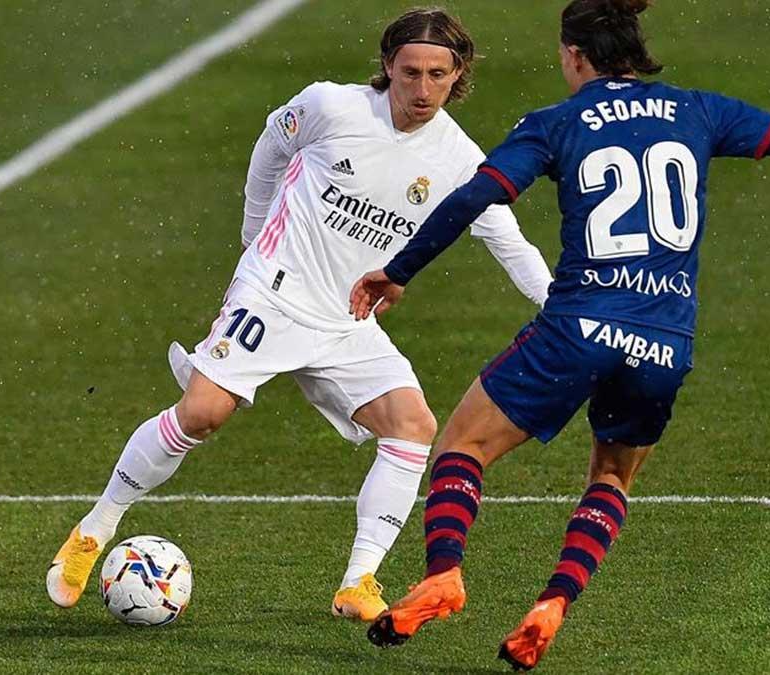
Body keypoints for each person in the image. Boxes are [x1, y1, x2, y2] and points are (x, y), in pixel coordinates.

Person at [349, 0, 770, 669]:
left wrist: (397, 271)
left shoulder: (557, 122)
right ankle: (554, 602)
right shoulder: (699, 109)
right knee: (611, 475)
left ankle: (445, 571)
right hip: (664, 340)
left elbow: (472, 198)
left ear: (575, 55)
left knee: (462, 444)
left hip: (576, 325)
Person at [46, 8, 552, 623]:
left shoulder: (459, 159)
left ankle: (359, 579)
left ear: (458, 75)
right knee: (203, 414)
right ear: (388, 66)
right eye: (410, 72)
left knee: (412, 426)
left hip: (347, 320)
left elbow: (508, 241)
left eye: (437, 76)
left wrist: (563, 306)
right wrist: (254, 233)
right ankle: (96, 529)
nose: (422, 90)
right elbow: (270, 144)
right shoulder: (331, 108)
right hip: (273, 292)